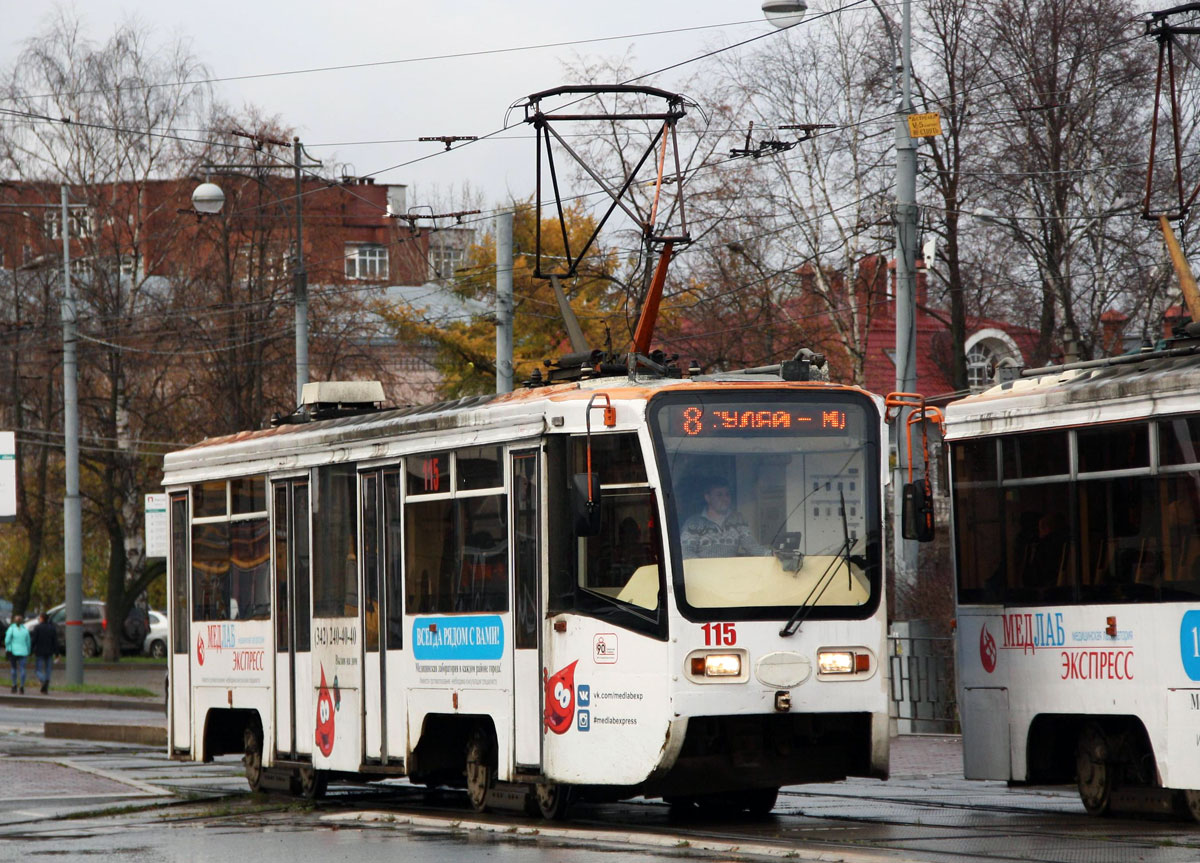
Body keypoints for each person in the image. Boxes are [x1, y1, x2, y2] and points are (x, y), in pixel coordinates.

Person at [681, 478, 771, 559]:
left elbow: (751, 546)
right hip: (703, 575)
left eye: (727, 494)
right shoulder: (693, 523)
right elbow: (686, 552)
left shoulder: (738, 520)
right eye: (719, 495)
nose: (725, 498)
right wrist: (705, 569)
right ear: (707, 498)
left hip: (730, 575)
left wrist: (772, 555)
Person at [30, 612, 58, 694]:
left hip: (39, 651)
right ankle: (46, 683)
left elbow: (34, 640)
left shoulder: (37, 628)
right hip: (49, 651)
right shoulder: (52, 628)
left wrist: (30, 651)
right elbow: (55, 641)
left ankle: (43, 680)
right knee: (48, 669)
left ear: (42, 618)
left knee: (38, 670)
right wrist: (57, 653)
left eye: (39, 618)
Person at [4, 613, 32, 694]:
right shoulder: (25, 630)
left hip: (13, 651)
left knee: (13, 669)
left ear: (14, 621)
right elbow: (28, 642)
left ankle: (14, 685)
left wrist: (7, 647)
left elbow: (7, 640)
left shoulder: (11, 629)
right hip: (23, 652)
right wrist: (29, 651)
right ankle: (22, 687)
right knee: (23, 669)